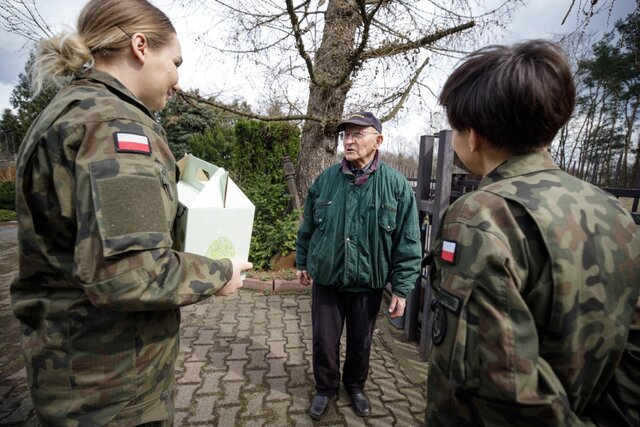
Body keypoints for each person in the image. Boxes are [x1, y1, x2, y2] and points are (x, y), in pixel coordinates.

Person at [11, 0, 252, 425]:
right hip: (112, 386)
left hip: (75, 373)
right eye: (174, 61)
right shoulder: (115, 127)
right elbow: (131, 275)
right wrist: (220, 272)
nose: (177, 79)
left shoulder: (72, 110)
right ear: (141, 46)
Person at [426, 39, 640, 426]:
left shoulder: (481, 214)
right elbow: (632, 350)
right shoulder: (614, 211)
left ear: (472, 135)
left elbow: (498, 385)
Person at [295, 111, 422, 420]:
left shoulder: (395, 185)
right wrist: (302, 260)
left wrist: (402, 290)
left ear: (377, 140)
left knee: (361, 343)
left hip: (368, 282)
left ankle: (355, 386)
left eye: (356, 134)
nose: (348, 141)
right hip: (328, 278)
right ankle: (325, 388)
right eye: (345, 135)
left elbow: (408, 242)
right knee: (324, 341)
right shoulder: (326, 181)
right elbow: (308, 226)